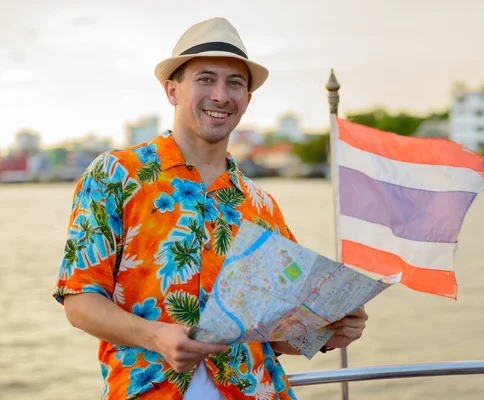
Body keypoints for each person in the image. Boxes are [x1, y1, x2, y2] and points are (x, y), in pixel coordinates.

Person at [53, 17, 368, 400]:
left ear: (247, 100)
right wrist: (157, 336)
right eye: (205, 78)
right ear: (172, 90)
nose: (221, 95)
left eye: (235, 83)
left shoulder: (261, 205)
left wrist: (330, 331)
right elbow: (79, 300)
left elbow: (279, 336)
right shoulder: (115, 175)